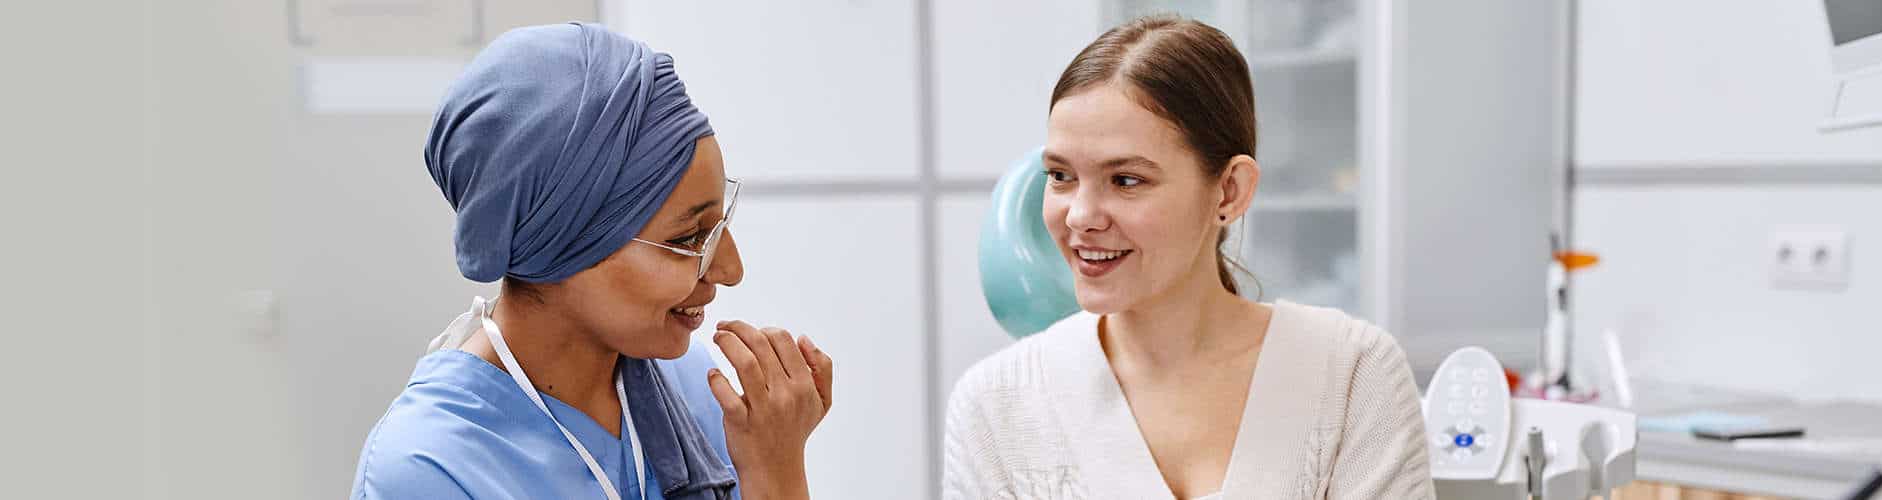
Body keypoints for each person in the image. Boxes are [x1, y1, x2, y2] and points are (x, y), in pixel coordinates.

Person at [942, 15, 1434, 499]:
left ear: (1228, 191)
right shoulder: (995, 406)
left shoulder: (1352, 375)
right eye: (1060, 176)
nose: (1080, 216)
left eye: (1126, 180)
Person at [351, 23, 833, 500]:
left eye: (719, 223)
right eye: (689, 237)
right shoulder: (429, 469)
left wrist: (779, 463)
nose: (730, 269)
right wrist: (774, 484)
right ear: (564, 246)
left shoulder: (694, 387)